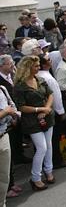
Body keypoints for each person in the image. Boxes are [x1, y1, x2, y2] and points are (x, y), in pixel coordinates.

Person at [13, 56, 55, 191]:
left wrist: (47, 109)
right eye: (35, 66)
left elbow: (50, 95)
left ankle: (49, 171)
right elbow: (21, 106)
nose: (38, 68)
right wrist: (40, 109)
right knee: (41, 148)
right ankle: (35, 178)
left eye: (38, 66)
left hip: (47, 117)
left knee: (48, 145)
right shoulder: (20, 86)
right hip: (31, 121)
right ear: (27, 68)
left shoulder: (40, 80)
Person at [36, 54, 66, 170]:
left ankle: (52, 161)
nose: (50, 61)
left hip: (48, 110)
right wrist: (61, 112)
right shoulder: (47, 78)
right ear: (43, 64)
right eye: (48, 60)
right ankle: (57, 160)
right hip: (53, 111)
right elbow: (56, 96)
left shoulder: (40, 76)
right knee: (56, 137)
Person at [0, 70, 19, 203]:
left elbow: (10, 105)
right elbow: (6, 109)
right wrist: (5, 112)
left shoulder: (1, 88)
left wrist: (12, 114)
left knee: (4, 177)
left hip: (3, 134)